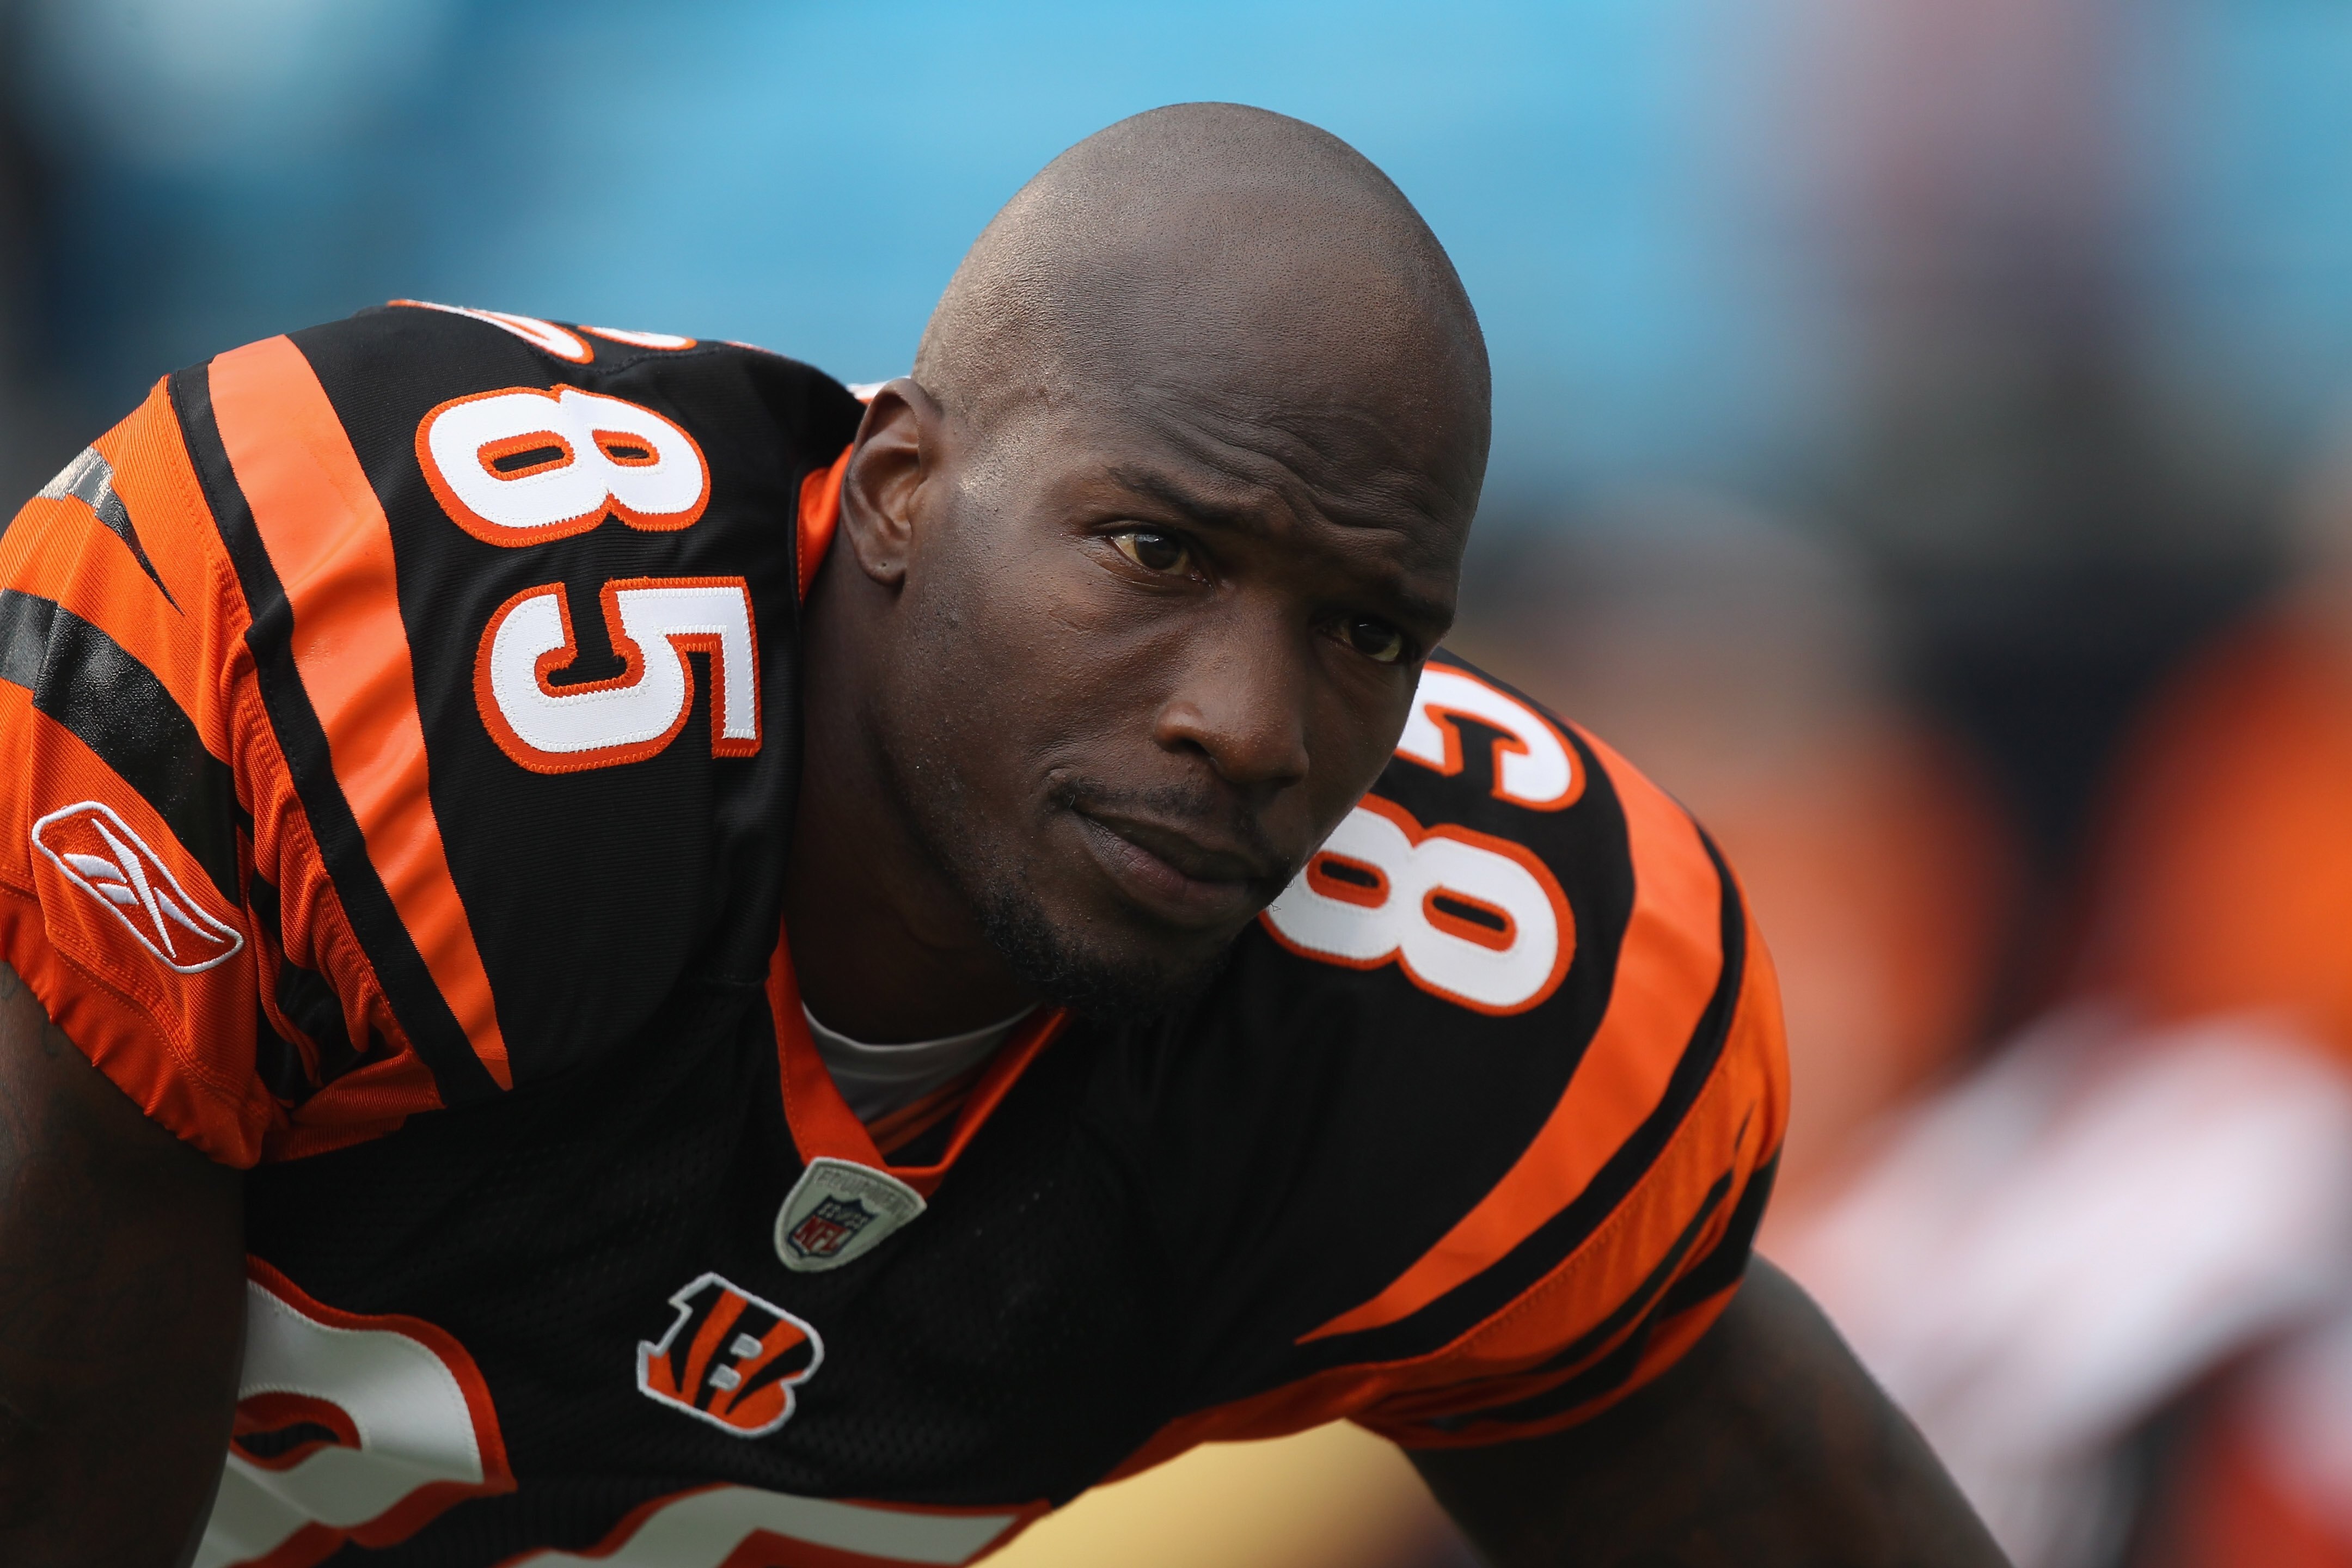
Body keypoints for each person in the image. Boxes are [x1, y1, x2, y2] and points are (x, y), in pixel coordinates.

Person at [0, 104, 1999, 1567]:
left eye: (1365, 632)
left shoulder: (1453, 1030)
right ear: (894, 488)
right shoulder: (380, 659)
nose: (1248, 724)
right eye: (1156, 549)